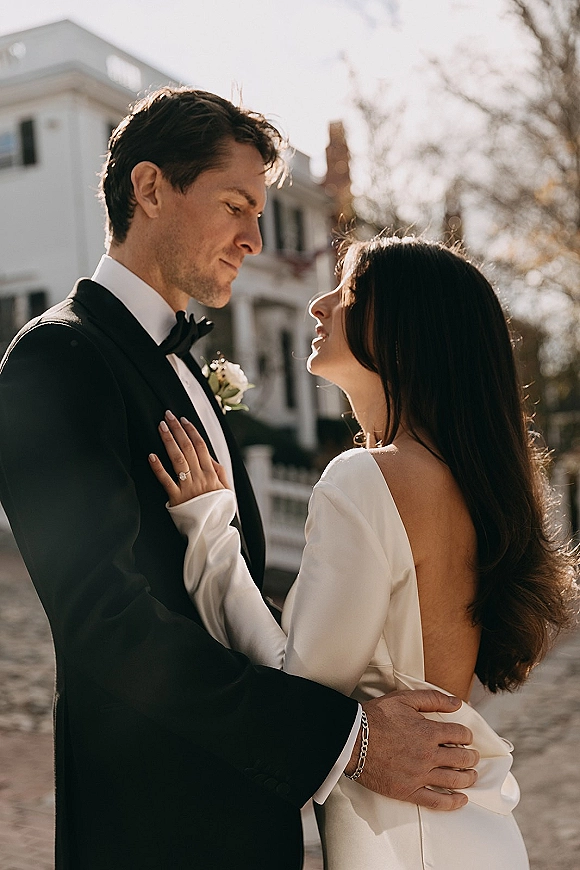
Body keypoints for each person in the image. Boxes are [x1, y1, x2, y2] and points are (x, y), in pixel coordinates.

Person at [0, 90, 479, 870]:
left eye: (260, 213)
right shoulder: (57, 358)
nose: (255, 239)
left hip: (251, 821)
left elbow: (239, 594)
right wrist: (345, 741)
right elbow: (105, 623)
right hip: (151, 827)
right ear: (151, 189)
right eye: (235, 205)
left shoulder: (186, 368)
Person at [150, 235, 577, 869]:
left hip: (405, 846)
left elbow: (302, 693)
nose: (319, 305)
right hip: (470, 836)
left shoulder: (368, 478)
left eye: (348, 293)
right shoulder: (471, 482)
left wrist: (210, 534)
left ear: (405, 328)